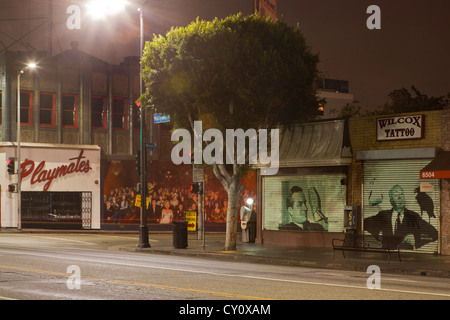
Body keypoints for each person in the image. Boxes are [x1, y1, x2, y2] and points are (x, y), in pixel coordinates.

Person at [364, 185, 438, 250]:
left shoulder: (413, 216)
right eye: (396, 195)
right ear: (391, 201)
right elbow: (364, 224)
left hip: (405, 256)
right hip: (386, 255)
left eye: (401, 194)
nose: (400, 197)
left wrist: (416, 239)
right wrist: (377, 236)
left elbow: (434, 233)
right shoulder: (383, 215)